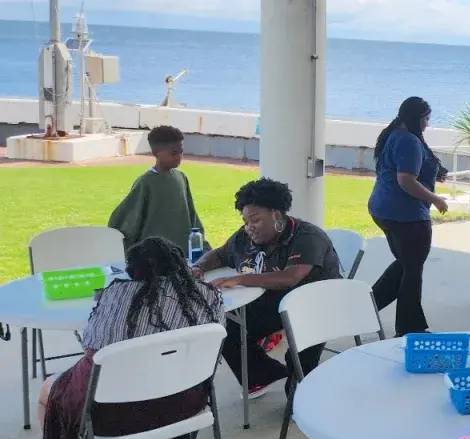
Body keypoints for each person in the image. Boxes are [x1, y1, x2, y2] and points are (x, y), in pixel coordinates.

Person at [38, 237, 223, 439]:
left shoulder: (114, 296)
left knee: (49, 391)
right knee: (182, 373)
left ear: (131, 270)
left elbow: (91, 345)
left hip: (112, 419)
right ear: (180, 266)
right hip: (187, 406)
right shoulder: (206, 297)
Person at [190, 178, 342, 397]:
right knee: (224, 325)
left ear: (276, 215)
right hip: (277, 301)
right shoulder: (246, 236)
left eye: (255, 220)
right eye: (245, 221)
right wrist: (199, 267)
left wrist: (240, 280)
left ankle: (300, 386)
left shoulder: (307, 236)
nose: (249, 228)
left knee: (298, 391)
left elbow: (290, 277)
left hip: (316, 305)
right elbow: (221, 254)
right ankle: (262, 376)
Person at [368, 97, 449, 337]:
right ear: (416, 118)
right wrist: (435, 199)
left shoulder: (393, 134)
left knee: (406, 264)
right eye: (425, 119)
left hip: (383, 210)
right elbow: (405, 180)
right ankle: (408, 328)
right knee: (412, 272)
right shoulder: (409, 141)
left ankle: (365, 307)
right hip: (406, 216)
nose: (427, 124)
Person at [108, 126, 210, 255]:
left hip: (181, 252)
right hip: (152, 254)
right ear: (156, 153)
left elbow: (192, 216)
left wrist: (200, 243)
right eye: (173, 153)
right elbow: (127, 219)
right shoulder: (145, 182)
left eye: (181, 152)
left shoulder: (181, 178)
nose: (179, 157)